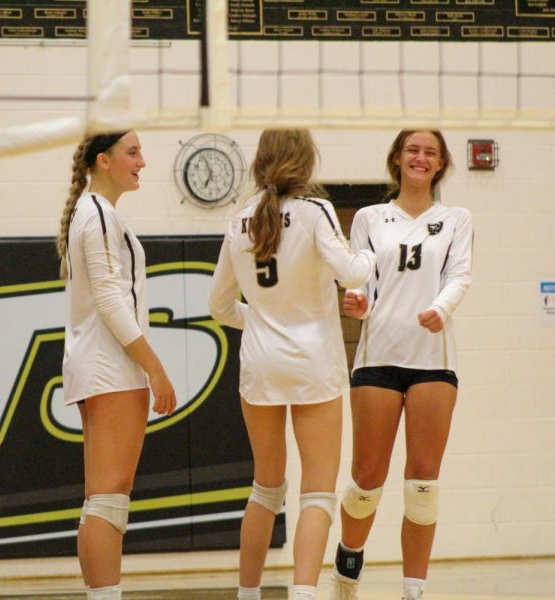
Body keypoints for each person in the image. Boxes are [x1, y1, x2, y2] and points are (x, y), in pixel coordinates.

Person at [208, 129, 376, 600]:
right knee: (318, 491)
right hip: (312, 363)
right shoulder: (316, 210)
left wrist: (261, 320)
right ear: (307, 162)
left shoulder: (239, 217)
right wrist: (369, 250)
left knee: (266, 486)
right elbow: (353, 273)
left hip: (260, 364)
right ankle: (302, 594)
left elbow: (218, 306)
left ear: (260, 162)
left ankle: (247, 593)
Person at [331, 130, 473, 600]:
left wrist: (442, 308)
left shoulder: (455, 219)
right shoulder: (371, 217)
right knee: (367, 480)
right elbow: (363, 282)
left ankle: (414, 590)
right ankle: (348, 567)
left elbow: (460, 275)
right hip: (378, 358)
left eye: (430, 152)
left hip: (434, 360)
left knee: (423, 484)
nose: (420, 157)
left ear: (440, 164)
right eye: (412, 149)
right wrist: (357, 302)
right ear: (396, 159)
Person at [57, 131, 177, 600]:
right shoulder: (98, 215)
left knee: (101, 501)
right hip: (111, 368)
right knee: (108, 501)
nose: (142, 162)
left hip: (101, 367)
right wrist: (155, 368)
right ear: (103, 161)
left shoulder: (96, 213)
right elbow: (110, 299)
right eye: (133, 153)